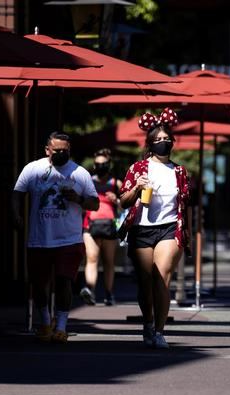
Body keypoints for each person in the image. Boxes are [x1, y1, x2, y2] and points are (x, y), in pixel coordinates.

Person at [12, 132, 99, 343]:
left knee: (63, 281)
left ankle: (61, 327)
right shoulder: (32, 170)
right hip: (39, 238)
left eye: (65, 151)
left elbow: (95, 203)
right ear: (47, 150)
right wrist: (15, 214)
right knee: (39, 284)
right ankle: (44, 322)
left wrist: (78, 199)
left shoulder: (80, 173)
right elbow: (17, 193)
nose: (61, 154)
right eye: (57, 151)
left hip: (68, 239)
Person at [118, 108, 191, 349]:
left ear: (173, 142)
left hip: (169, 228)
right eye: (158, 140)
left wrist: (186, 232)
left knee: (162, 278)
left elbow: (185, 205)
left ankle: (160, 331)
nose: (163, 143)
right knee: (145, 281)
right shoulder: (138, 168)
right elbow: (123, 202)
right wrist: (137, 188)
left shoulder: (179, 172)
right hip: (141, 228)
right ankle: (148, 322)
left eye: (167, 139)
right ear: (149, 144)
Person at [80, 148, 123, 306]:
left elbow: (126, 206)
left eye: (104, 164)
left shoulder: (116, 183)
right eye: (98, 164)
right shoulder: (88, 182)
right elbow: (81, 202)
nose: (101, 166)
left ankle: (108, 294)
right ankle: (89, 289)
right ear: (93, 165)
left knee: (108, 261)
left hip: (110, 226)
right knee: (91, 258)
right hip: (90, 225)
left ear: (109, 164)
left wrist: (116, 200)